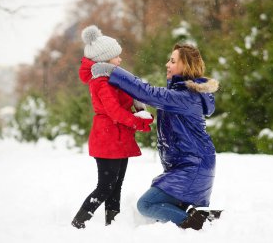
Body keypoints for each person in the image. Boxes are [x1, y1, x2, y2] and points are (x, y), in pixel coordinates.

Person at [91, 43, 219, 230]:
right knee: (159, 199)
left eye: (173, 61)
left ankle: (196, 223)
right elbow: (148, 94)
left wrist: (113, 71)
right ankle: (197, 216)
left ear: (186, 66)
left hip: (193, 167)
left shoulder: (185, 97)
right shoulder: (181, 94)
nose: (167, 64)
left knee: (146, 205)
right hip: (191, 165)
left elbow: (148, 93)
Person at [71, 25, 153, 229]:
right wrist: (138, 121)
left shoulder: (111, 78)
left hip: (118, 138)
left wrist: (138, 112)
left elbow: (121, 107)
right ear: (104, 60)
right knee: (105, 187)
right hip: (108, 138)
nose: (120, 59)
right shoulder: (101, 82)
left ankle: (113, 224)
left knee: (115, 186)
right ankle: (79, 222)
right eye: (116, 56)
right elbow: (114, 111)